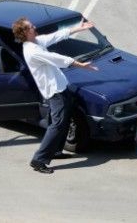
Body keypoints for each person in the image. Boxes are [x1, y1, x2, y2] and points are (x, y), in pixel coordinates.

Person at [12, 17, 98, 174]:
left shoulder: (36, 42)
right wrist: (78, 64)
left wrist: (78, 28)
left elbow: (55, 36)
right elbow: (55, 58)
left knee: (60, 121)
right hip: (55, 92)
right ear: (25, 32)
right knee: (57, 125)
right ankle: (38, 160)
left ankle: (56, 151)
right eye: (31, 26)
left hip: (60, 88)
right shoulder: (32, 50)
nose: (35, 26)